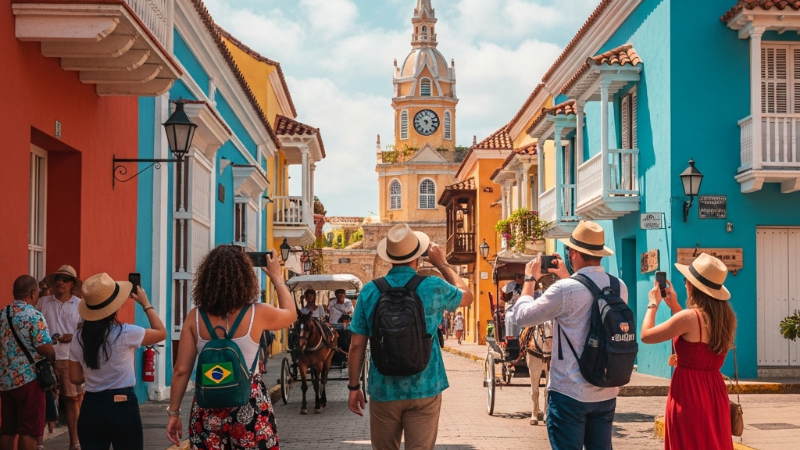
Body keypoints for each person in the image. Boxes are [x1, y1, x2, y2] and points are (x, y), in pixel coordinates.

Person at [347, 224, 473, 449]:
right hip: (425, 386)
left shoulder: (370, 290)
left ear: (389, 258)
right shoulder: (433, 286)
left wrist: (354, 387)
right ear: (418, 257)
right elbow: (467, 296)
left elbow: (357, 345)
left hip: (384, 389)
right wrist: (442, 264)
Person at [166, 245, 296, 450]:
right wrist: (277, 279)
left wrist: (174, 413)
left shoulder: (195, 318)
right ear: (245, 277)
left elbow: (181, 371)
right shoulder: (257, 313)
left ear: (206, 278)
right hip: (249, 404)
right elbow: (290, 314)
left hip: (207, 406)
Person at [513, 220, 627, 450]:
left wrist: (529, 279)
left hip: (569, 392)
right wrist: (567, 276)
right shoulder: (618, 286)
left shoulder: (564, 290)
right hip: (605, 391)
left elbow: (523, 316)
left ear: (573, 252)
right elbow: (587, 302)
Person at [640, 253, 737, 450]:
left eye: (686, 280)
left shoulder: (689, 317)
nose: (685, 284)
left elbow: (646, 336)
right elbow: (696, 339)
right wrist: (675, 306)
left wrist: (653, 303)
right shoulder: (726, 318)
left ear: (693, 286)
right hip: (715, 393)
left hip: (689, 393)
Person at [68, 273, 165, 450]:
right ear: (114, 308)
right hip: (121, 404)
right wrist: (145, 303)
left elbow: (75, 377)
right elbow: (161, 332)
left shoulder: (78, 337)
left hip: (90, 405)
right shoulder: (126, 332)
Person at [1, 276, 55, 450]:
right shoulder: (34, 315)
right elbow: (44, 347)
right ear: (33, 293)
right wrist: (53, 352)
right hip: (29, 379)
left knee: (8, 429)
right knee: (29, 430)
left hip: (6, 381)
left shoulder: (2, 314)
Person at [39, 265, 84, 449]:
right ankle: (39, 443)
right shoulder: (43, 302)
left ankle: (75, 442)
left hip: (70, 357)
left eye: (65, 279)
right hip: (45, 357)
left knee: (72, 399)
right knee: (41, 399)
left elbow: (84, 329)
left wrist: (73, 336)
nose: (60, 282)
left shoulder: (80, 304)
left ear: (72, 283)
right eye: (58, 278)